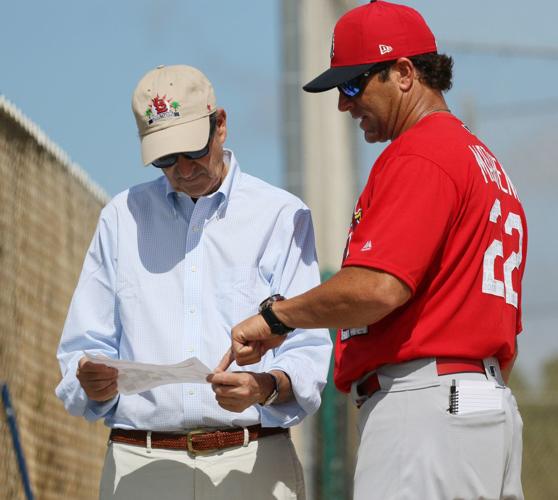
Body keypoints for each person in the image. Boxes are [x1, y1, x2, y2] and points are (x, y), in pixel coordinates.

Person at [221, 2, 528, 499]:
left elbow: (378, 286)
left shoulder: (421, 152)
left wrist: (278, 318)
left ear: (404, 73)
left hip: (427, 411)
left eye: (353, 84)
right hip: (483, 408)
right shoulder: (485, 163)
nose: (344, 104)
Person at [55, 64, 331, 500]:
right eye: (165, 157)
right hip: (140, 465)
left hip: (254, 461)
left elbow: (309, 351)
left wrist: (265, 386)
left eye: (191, 150)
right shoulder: (120, 218)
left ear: (219, 125)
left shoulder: (281, 216)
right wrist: (90, 381)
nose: (182, 169)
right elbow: (80, 352)